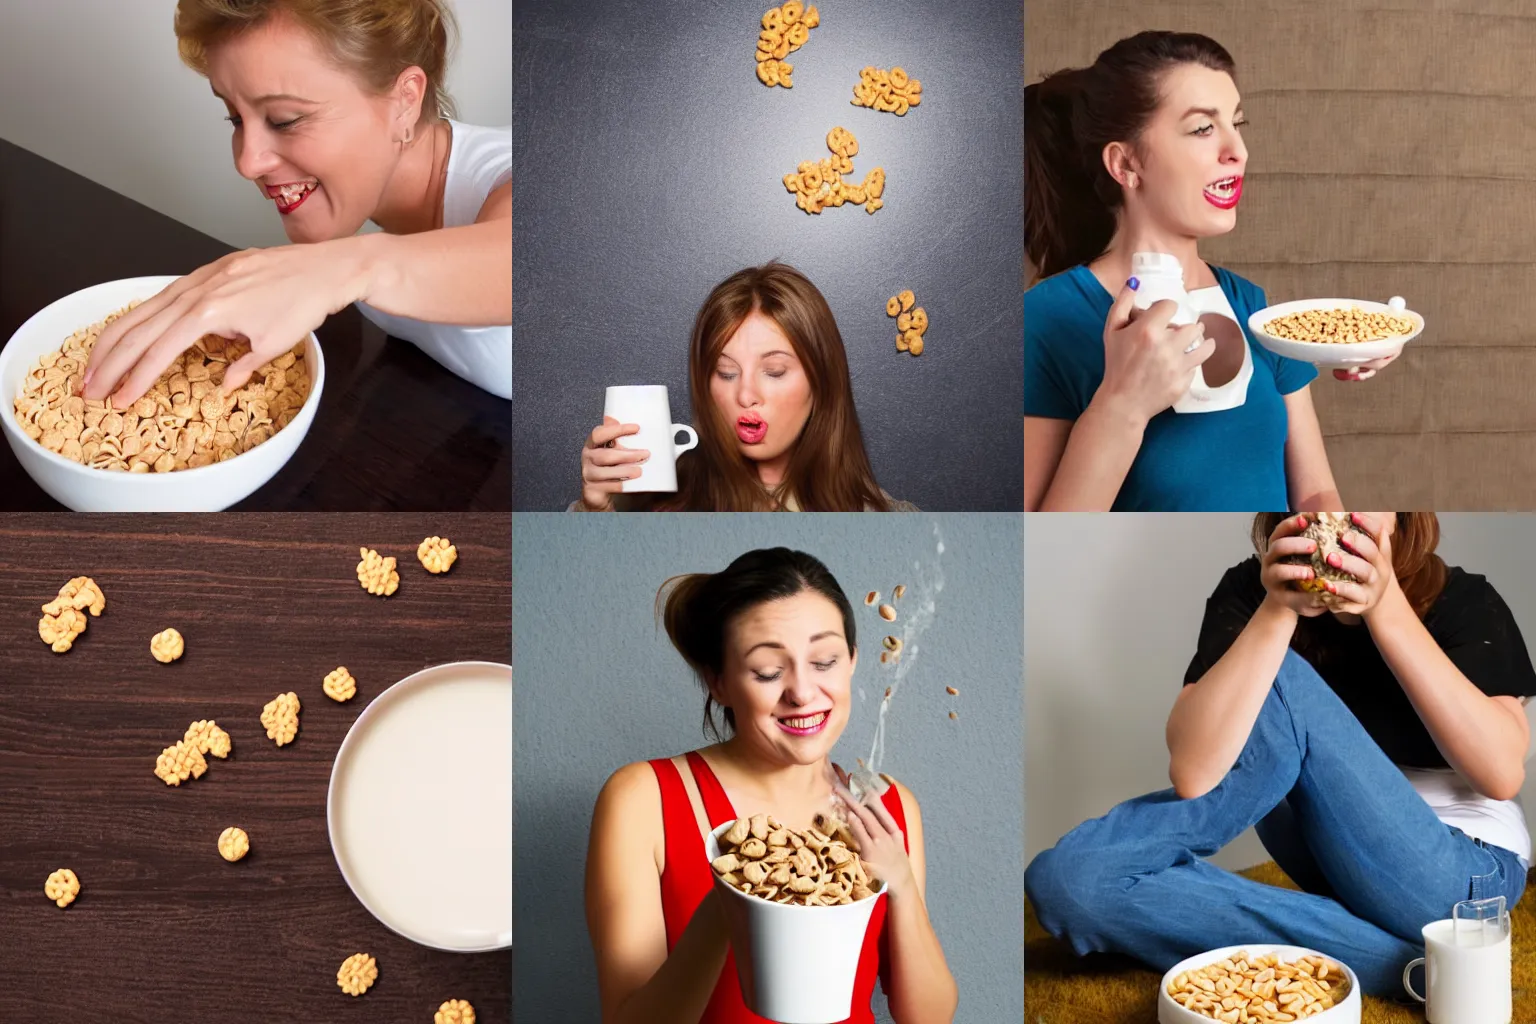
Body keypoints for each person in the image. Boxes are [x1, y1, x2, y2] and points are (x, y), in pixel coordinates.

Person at [1026, 513, 1534, 996]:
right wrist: (1277, 612)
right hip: (1334, 868)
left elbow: (1500, 774)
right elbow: (1197, 773)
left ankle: (1412, 955)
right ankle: (1412, 969)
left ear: (1401, 513)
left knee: (1280, 680)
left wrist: (1385, 608)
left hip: (1462, 880)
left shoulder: (1462, 599)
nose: (1341, 511)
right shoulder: (1253, 594)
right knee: (1074, 886)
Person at [1023, 31, 1397, 511]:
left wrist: (1351, 345)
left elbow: (1315, 492)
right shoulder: (1045, 321)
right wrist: (1122, 406)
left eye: (1237, 124)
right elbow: (1036, 550)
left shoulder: (1252, 305)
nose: (1237, 151)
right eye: (1203, 129)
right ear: (1125, 162)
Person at [585, 548, 957, 1022]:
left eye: (824, 661)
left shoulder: (889, 805)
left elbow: (927, 1018)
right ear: (717, 681)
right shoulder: (643, 798)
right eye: (767, 671)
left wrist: (899, 880)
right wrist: (730, 904)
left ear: (853, 662)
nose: (802, 692)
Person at [81, 0, 511, 406]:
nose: (248, 163)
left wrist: (343, 269)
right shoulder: (361, 209)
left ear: (404, 102)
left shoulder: (522, 174)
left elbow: (528, 264)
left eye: (285, 119)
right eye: (234, 117)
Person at [575, 263, 916, 511]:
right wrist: (596, 514)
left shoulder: (890, 523)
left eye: (775, 371)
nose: (746, 395)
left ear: (821, 381)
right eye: (726, 372)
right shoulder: (658, 512)